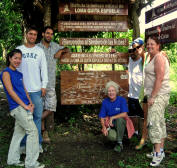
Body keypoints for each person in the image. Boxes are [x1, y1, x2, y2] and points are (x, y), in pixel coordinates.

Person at [0, 49, 45, 168]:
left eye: (20, 58)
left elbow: (24, 91)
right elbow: (11, 92)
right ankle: (31, 163)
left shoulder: (19, 74)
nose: (18, 61)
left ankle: (12, 160)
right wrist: (24, 106)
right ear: (10, 58)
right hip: (17, 107)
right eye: (15, 58)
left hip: (25, 106)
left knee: (18, 133)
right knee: (33, 132)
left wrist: (30, 103)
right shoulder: (6, 73)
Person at [17, 26, 48, 152]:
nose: (32, 36)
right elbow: (15, 69)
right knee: (23, 119)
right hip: (22, 91)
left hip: (36, 90)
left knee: (36, 117)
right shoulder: (19, 50)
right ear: (26, 34)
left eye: (35, 34)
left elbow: (44, 69)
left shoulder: (39, 51)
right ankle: (24, 145)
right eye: (30, 34)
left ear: (37, 36)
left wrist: (43, 86)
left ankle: (37, 144)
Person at [37, 26, 70, 143]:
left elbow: (68, 49)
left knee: (51, 107)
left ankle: (35, 121)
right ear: (42, 34)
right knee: (40, 107)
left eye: (51, 34)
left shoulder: (55, 46)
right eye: (47, 33)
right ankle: (43, 132)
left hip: (50, 83)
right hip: (38, 84)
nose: (49, 35)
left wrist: (61, 51)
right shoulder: (37, 48)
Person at [144, 36, 170, 167]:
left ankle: (157, 154)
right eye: (147, 44)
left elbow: (159, 78)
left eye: (152, 44)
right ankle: (160, 150)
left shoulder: (159, 57)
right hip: (159, 95)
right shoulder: (153, 57)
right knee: (159, 121)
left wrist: (153, 96)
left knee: (153, 122)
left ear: (158, 45)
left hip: (159, 96)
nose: (149, 46)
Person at [99, 81, 134, 152]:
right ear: (107, 92)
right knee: (112, 137)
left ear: (116, 91)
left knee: (120, 119)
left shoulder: (121, 100)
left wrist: (112, 117)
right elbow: (102, 116)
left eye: (113, 90)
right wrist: (103, 127)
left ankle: (119, 143)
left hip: (122, 124)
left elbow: (124, 114)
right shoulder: (105, 102)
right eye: (109, 91)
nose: (111, 93)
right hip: (111, 124)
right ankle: (116, 137)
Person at [128, 38, 149, 150]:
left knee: (143, 117)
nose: (134, 51)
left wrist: (142, 52)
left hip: (141, 95)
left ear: (142, 47)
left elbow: (145, 57)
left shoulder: (143, 61)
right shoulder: (131, 60)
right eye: (132, 49)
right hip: (131, 94)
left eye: (137, 48)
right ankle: (135, 132)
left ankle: (144, 137)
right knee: (133, 115)